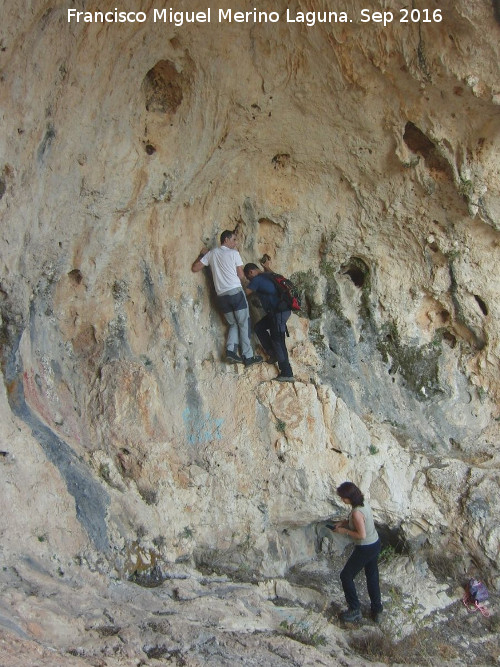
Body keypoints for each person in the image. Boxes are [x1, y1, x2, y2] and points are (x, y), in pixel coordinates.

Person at [191, 231, 262, 366]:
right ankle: (248, 357)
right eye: (234, 239)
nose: (235, 243)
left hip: (221, 296)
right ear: (226, 239)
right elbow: (241, 275)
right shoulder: (234, 253)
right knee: (244, 323)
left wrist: (203, 254)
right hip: (235, 292)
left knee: (233, 323)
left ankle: (230, 352)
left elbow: (195, 268)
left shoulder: (211, 253)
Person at [333, 481, 383, 623]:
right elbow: (358, 520)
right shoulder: (362, 503)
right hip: (375, 543)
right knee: (372, 576)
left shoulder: (356, 512)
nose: (342, 500)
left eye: (343, 497)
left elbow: (361, 535)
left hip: (365, 547)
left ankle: (355, 609)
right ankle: (377, 610)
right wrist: (342, 523)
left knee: (346, 576)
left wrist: (344, 531)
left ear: (349, 498)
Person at [243, 263, 294, 382]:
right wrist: (266, 265)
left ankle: (287, 372)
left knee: (278, 341)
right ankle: (273, 353)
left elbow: (245, 293)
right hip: (278, 312)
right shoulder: (268, 274)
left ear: (251, 272)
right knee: (259, 327)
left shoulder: (257, 279)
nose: (248, 279)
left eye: (247, 277)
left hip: (278, 313)